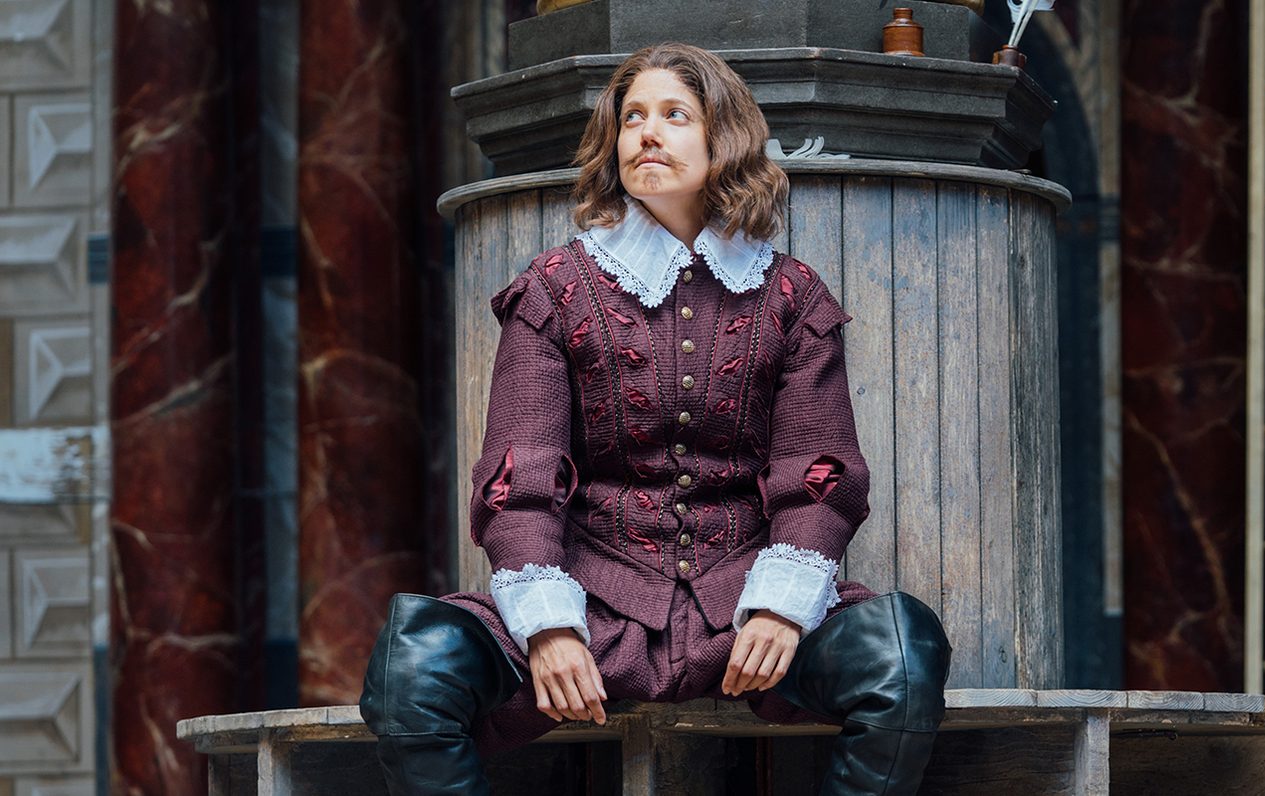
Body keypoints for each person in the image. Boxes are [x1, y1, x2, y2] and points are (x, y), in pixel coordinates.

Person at [357, 42, 951, 796]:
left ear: (723, 139)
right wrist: (546, 624)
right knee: (412, 668)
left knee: (903, 652)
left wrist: (783, 608)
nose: (646, 132)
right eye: (632, 116)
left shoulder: (792, 296)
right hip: (591, 604)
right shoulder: (556, 287)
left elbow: (820, 474)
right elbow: (519, 475)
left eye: (675, 115)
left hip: (745, 615)